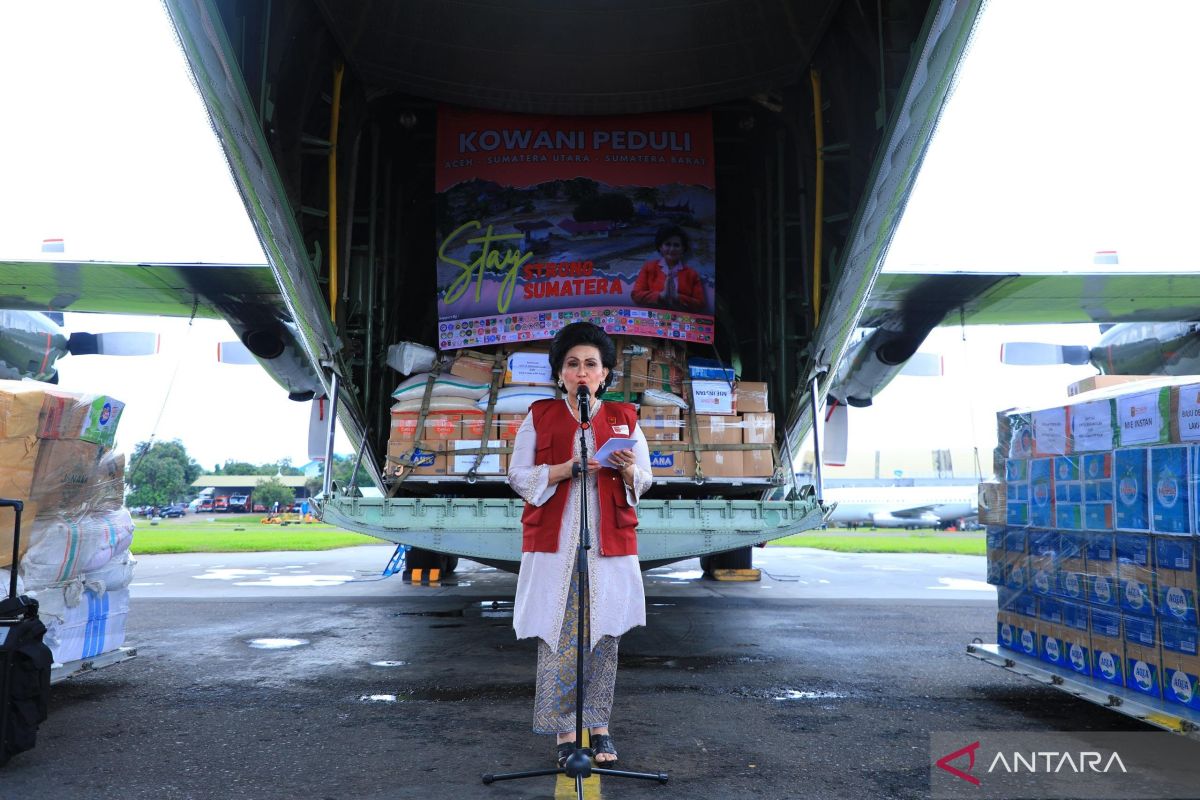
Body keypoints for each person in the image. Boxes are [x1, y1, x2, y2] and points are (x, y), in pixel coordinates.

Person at [507, 321, 653, 768]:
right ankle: (566, 734)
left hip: (607, 545)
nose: (582, 372)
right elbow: (518, 475)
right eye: (573, 364)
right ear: (560, 374)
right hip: (556, 545)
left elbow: (646, 479)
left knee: (604, 633)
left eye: (591, 364)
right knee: (560, 634)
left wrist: (626, 470)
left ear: (605, 373)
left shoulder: (625, 417)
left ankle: (600, 727)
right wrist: (564, 469)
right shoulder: (540, 415)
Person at [630, 224, 707, 312]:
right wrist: (660, 296)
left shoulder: (692, 274)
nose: (672, 249)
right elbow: (636, 295)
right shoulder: (649, 267)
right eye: (667, 244)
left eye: (676, 245)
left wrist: (678, 298)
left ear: (683, 249)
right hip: (653, 318)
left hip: (682, 319)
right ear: (660, 247)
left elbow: (700, 303)